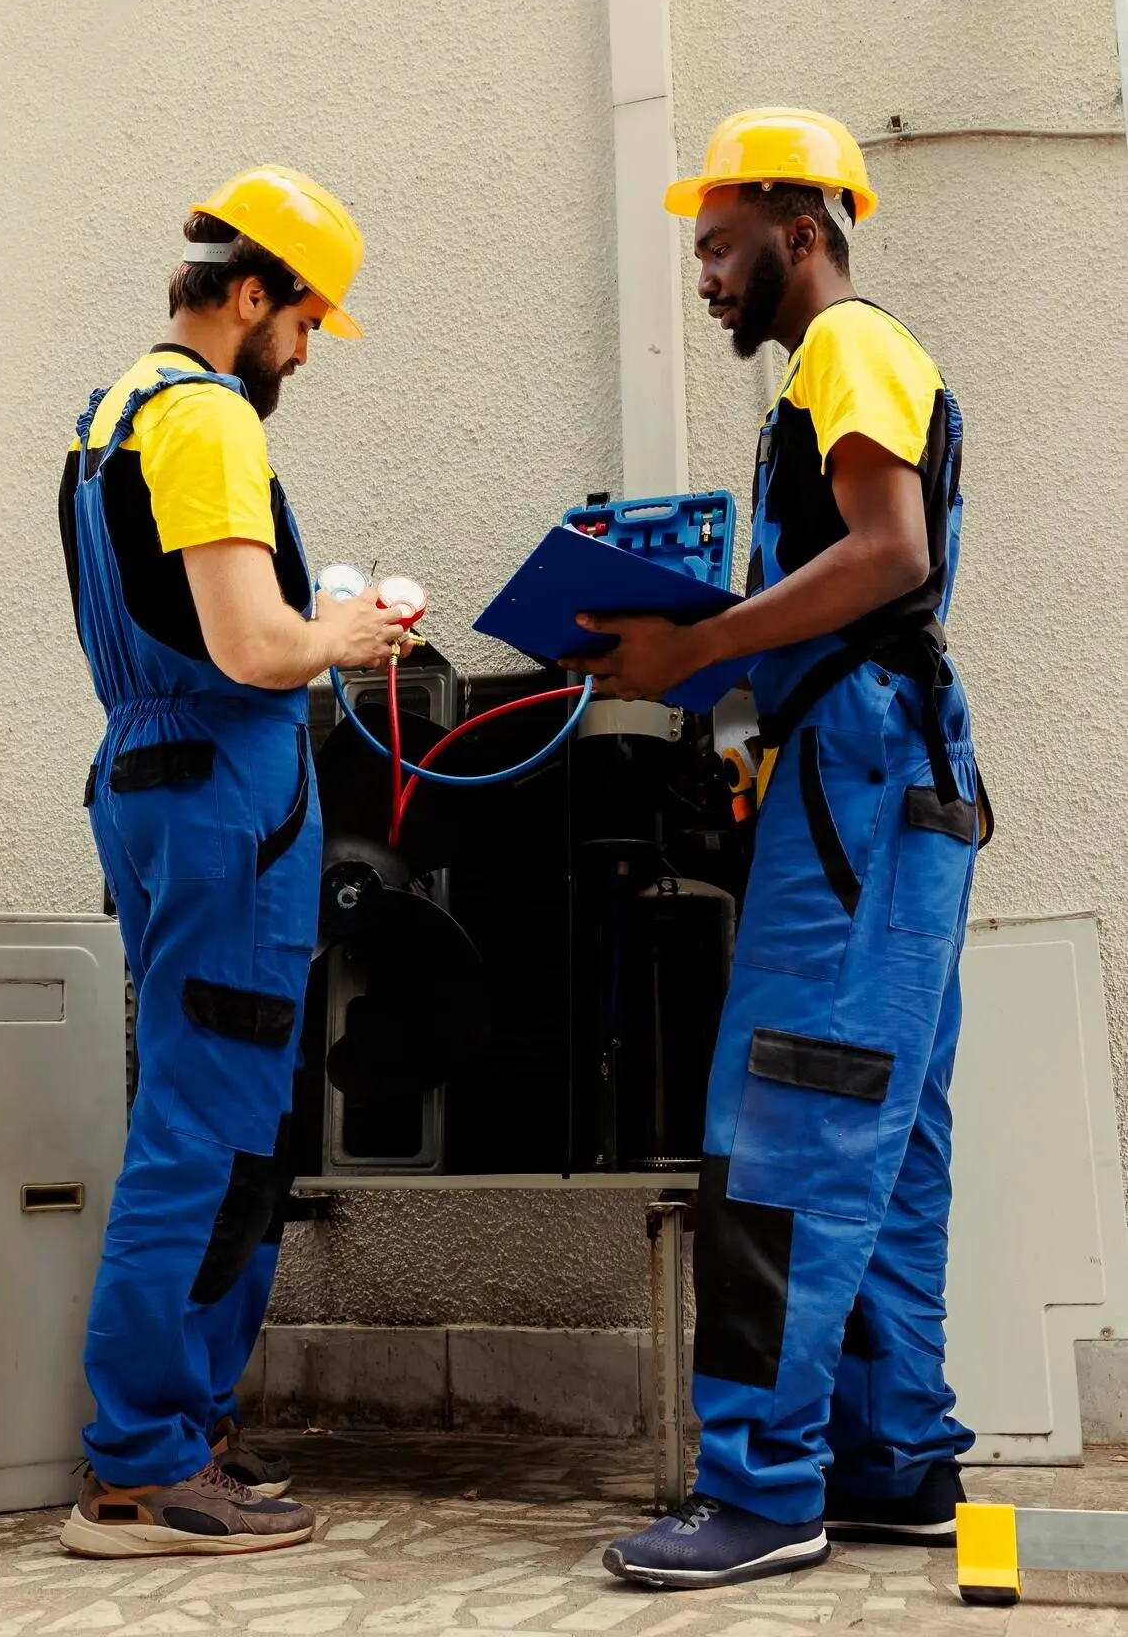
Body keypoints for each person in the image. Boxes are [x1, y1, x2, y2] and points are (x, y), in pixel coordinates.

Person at [567, 110, 991, 1591]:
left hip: (865, 779)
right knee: (885, 1135)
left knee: (790, 1124)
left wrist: (702, 640)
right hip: (887, 774)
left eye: (721, 241)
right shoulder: (828, 373)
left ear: (801, 231)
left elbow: (891, 555)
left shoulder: (850, 350)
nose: (705, 272)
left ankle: (760, 1491)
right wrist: (680, 661)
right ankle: (892, 1460)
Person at [56, 166, 409, 1558]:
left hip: (157, 781)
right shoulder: (204, 422)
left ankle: (185, 1436)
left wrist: (297, 625)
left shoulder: (112, 413)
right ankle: (141, 1465)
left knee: (223, 1132)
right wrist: (355, 635)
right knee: (207, 1138)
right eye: (309, 321)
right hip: (221, 797)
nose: (308, 354)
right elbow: (252, 649)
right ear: (251, 294)